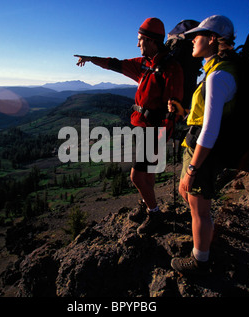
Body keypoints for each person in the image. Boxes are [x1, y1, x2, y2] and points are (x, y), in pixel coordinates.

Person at [75, 17, 184, 234]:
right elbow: (115, 64)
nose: (137, 44)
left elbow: (175, 107)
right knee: (148, 173)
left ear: (151, 40)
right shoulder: (144, 64)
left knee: (136, 176)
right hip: (142, 127)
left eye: (140, 40)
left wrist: (165, 134)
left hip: (154, 131)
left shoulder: (170, 68)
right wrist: (91, 59)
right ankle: (146, 205)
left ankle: (155, 214)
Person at [169, 15, 237, 275]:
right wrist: (183, 111)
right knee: (190, 197)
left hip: (203, 151)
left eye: (197, 36)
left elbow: (209, 130)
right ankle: (204, 239)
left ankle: (200, 261)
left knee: (199, 208)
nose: (193, 40)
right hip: (199, 144)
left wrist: (192, 169)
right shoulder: (217, 69)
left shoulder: (217, 76)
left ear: (211, 39)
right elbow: (206, 116)